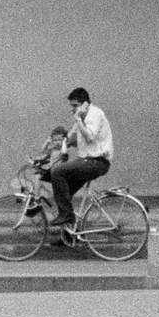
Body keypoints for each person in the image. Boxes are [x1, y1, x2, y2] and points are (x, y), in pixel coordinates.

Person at [46, 87, 113, 240]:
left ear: (85, 104)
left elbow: (89, 136)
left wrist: (78, 119)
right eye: (72, 106)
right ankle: (68, 236)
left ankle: (66, 215)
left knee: (57, 172)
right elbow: (73, 139)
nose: (73, 109)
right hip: (87, 161)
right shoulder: (82, 116)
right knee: (63, 194)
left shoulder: (94, 114)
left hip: (97, 162)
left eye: (75, 105)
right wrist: (56, 146)